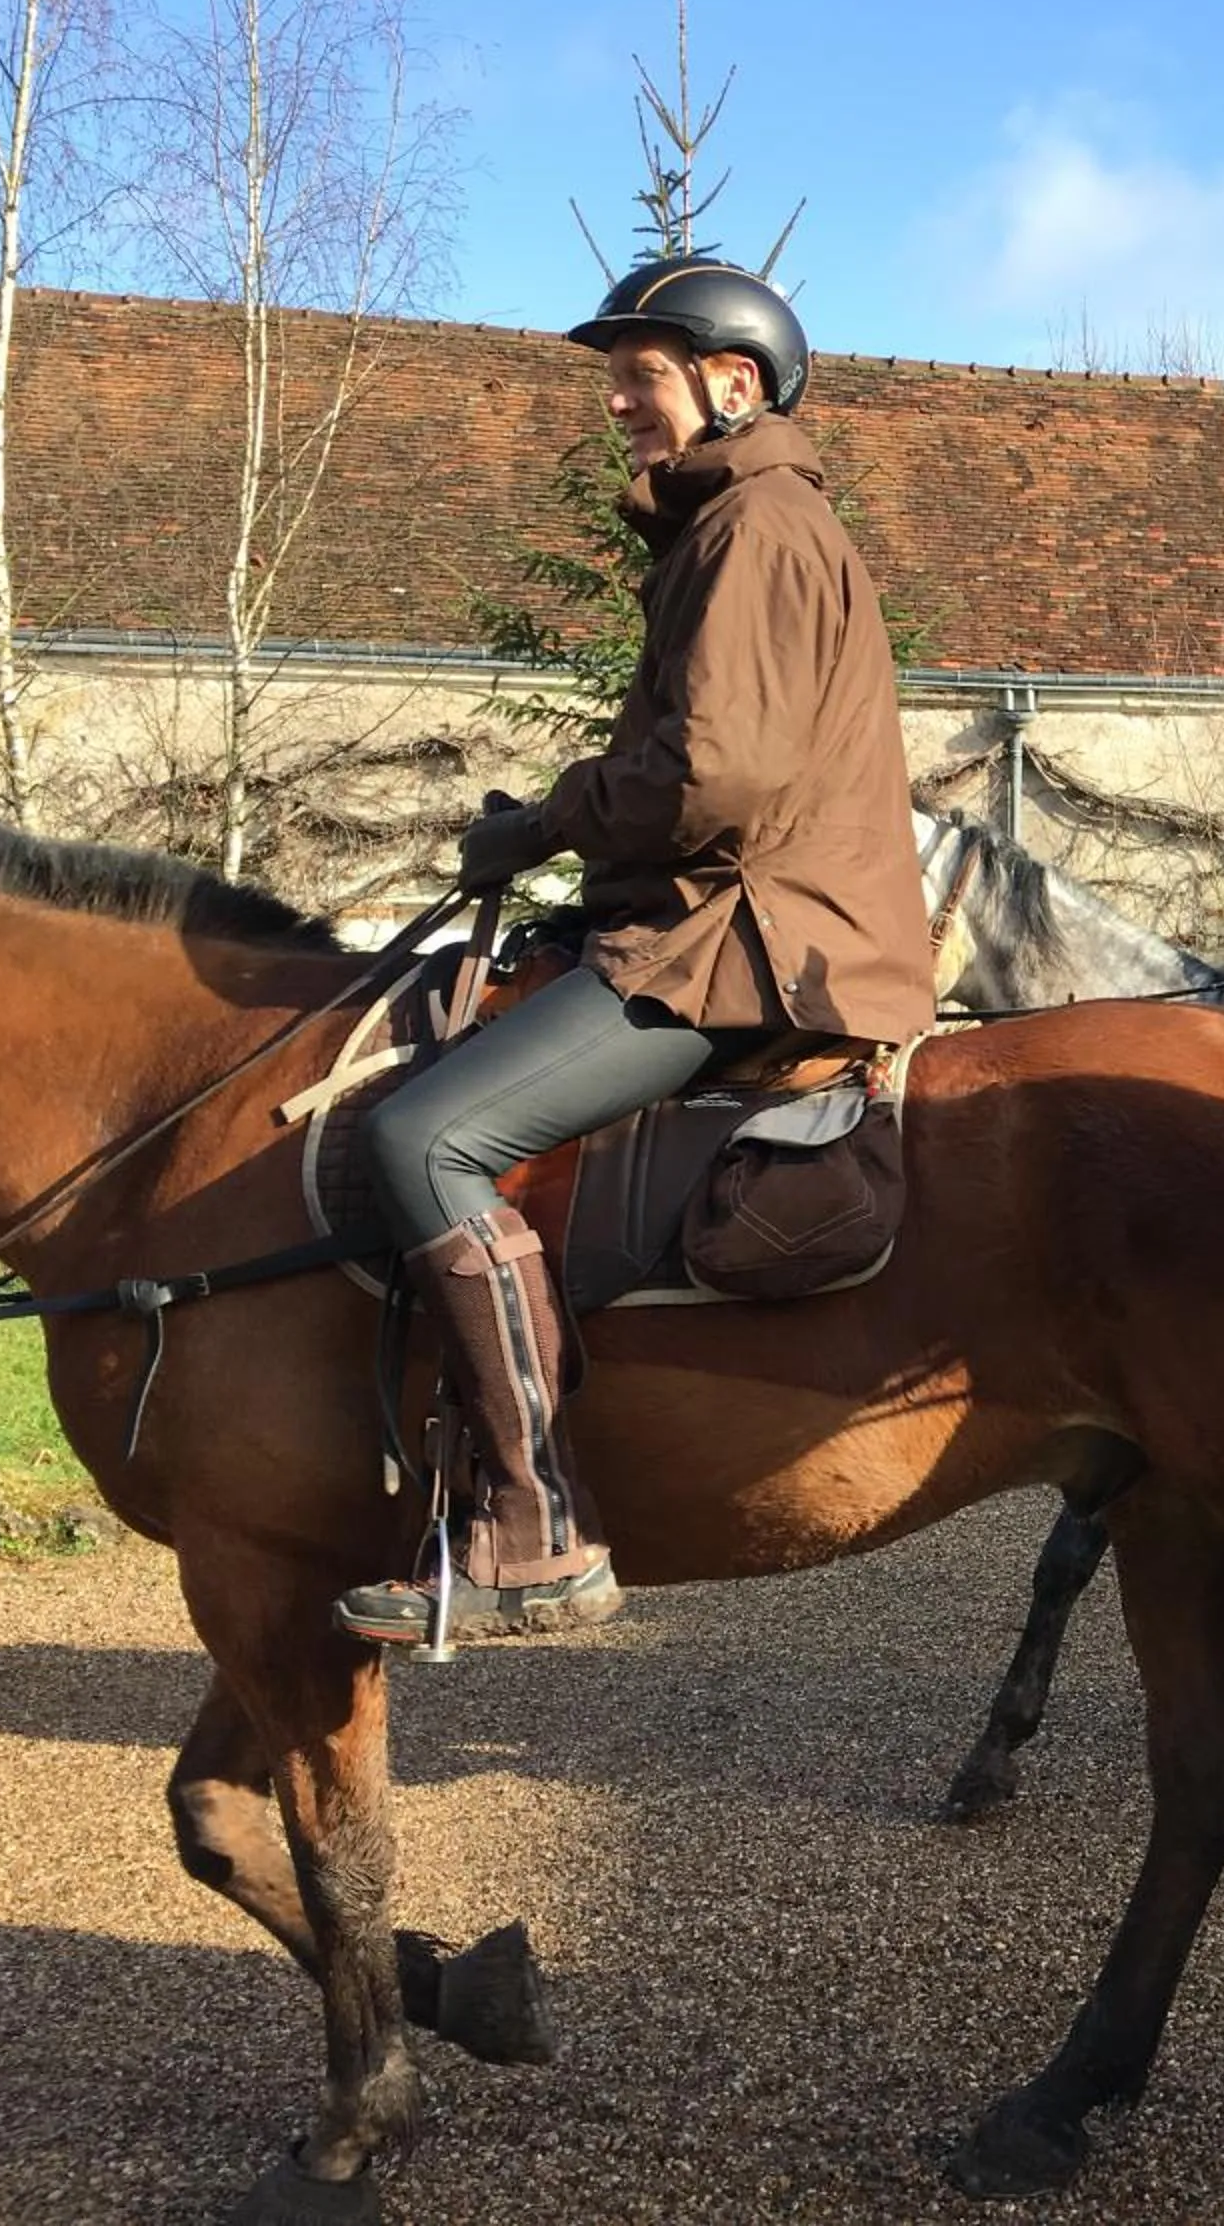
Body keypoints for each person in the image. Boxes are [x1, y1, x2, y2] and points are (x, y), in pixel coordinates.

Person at [333, 259, 934, 1647]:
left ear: (734, 382)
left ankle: (537, 1528)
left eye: (641, 374)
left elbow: (711, 779)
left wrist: (544, 817)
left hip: (756, 947)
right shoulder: (736, 526)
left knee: (427, 1137)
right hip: (731, 920)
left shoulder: (755, 531)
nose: (617, 401)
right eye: (617, 377)